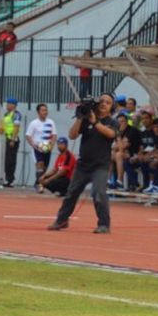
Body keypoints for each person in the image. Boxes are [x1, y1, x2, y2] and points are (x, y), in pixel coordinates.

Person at [48, 93, 118, 234]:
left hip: (100, 165)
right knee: (71, 193)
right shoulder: (87, 119)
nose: (104, 104)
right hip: (83, 165)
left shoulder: (112, 122)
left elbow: (111, 134)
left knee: (98, 193)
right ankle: (61, 220)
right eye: (102, 101)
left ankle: (104, 224)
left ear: (112, 107)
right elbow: (72, 135)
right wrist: (80, 117)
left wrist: (95, 122)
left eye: (108, 102)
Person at [26, 103, 56, 193]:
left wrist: (52, 145)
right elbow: (28, 136)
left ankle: (37, 183)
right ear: (38, 112)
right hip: (37, 148)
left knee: (45, 168)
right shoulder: (34, 123)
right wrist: (33, 145)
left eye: (46, 110)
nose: (45, 112)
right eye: (43, 110)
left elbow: (54, 135)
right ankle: (40, 186)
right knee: (40, 165)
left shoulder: (51, 122)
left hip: (47, 148)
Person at [0, 97, 22, 187]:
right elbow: (4, 126)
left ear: (14, 105)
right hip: (6, 139)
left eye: (9, 104)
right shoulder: (6, 115)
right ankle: (7, 178)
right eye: (7, 103)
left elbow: (16, 127)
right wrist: (0, 129)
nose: (7, 105)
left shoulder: (16, 114)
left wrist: (13, 139)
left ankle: (11, 180)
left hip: (12, 139)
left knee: (11, 160)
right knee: (7, 160)